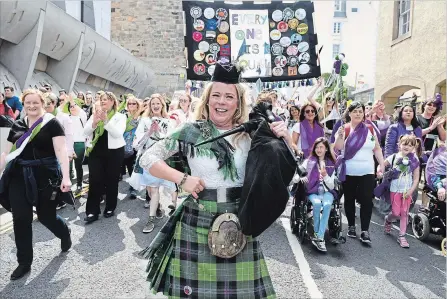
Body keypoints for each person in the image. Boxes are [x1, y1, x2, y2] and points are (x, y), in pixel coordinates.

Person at [138, 62, 290, 297]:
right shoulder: (190, 132)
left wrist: (283, 139)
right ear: (207, 99)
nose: (221, 101)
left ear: (238, 102)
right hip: (197, 218)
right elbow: (148, 158)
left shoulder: (252, 133)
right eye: (216, 95)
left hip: (239, 220)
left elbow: (283, 169)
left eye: (229, 96)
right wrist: (182, 178)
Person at [0, 89, 72, 280]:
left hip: (45, 176)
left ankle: (64, 233)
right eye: (27, 103)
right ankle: (24, 263)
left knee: (46, 217)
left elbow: (61, 150)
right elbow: (7, 154)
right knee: (21, 218)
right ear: (23, 104)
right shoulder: (17, 124)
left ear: (43, 103)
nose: (31, 106)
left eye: (35, 103)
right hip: (18, 176)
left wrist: (66, 177)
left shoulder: (52, 124)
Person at [334, 101, 385, 244]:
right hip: (349, 171)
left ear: (364, 113)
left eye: (360, 111)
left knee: (367, 200)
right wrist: (339, 136)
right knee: (349, 199)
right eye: (355, 111)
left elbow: (377, 148)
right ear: (349, 113)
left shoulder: (370, 128)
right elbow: (338, 148)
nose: (358, 114)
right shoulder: (345, 129)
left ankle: (364, 231)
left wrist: (381, 165)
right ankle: (351, 226)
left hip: (368, 171)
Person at [128, 94, 174, 233]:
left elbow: (171, 143)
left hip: (160, 160)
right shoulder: (145, 120)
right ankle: (157, 206)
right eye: (153, 103)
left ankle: (151, 219)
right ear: (150, 106)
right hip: (146, 159)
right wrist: (149, 131)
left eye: (158, 103)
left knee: (154, 189)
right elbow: (137, 144)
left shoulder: (168, 121)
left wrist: (159, 132)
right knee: (150, 189)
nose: (155, 106)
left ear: (162, 105)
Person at [83, 91, 126, 223]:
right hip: (96, 151)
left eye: (106, 99)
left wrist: (106, 120)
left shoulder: (120, 116)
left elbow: (117, 133)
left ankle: (110, 207)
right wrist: (94, 123)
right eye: (101, 100)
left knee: (111, 180)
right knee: (94, 180)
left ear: (113, 102)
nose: (103, 102)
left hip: (114, 152)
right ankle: (92, 211)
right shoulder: (95, 114)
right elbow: (85, 131)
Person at [381, 135, 420, 248]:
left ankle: (402, 236)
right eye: (404, 144)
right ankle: (388, 219)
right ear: (399, 145)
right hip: (395, 189)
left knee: (404, 213)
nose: (407, 146)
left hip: (407, 191)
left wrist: (411, 190)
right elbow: (382, 165)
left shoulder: (415, 160)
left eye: (410, 145)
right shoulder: (393, 157)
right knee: (395, 213)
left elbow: (416, 178)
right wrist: (379, 170)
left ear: (413, 147)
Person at [300, 137, 336, 252]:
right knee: (316, 204)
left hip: (327, 192)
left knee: (326, 205)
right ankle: (317, 233)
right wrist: (301, 177)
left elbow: (331, 186)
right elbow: (299, 174)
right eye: (317, 147)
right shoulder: (308, 161)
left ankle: (320, 237)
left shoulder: (331, 164)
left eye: (321, 147)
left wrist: (325, 176)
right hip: (313, 191)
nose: (319, 149)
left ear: (326, 149)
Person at [121, 96, 141, 199]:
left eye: (134, 103)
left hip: (135, 146)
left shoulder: (141, 117)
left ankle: (133, 189)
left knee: (132, 168)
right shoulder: (123, 115)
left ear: (138, 105)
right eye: (130, 104)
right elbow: (124, 128)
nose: (132, 105)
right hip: (123, 144)